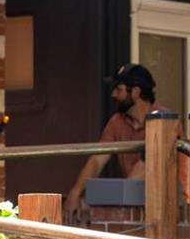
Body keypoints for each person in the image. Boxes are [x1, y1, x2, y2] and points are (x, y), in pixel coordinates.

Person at [63, 63, 161, 228]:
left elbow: (143, 168)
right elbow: (97, 160)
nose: (113, 94)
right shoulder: (116, 122)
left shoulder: (163, 121)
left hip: (161, 206)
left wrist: (97, 200)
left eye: (118, 89)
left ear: (135, 92)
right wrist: (75, 193)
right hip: (131, 203)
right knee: (81, 213)